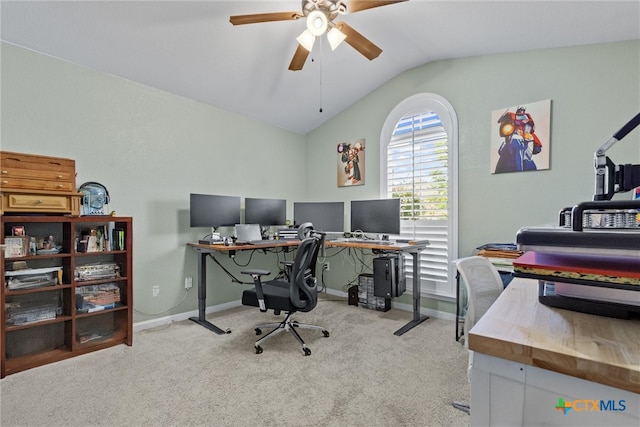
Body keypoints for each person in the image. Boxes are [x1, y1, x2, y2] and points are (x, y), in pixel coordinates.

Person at [494, 106, 542, 173]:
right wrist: (504, 117)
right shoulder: (512, 115)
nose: (521, 112)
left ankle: (526, 159)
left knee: (528, 148)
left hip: (525, 135)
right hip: (514, 133)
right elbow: (501, 120)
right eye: (520, 110)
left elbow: (529, 123)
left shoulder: (526, 117)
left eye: (522, 110)